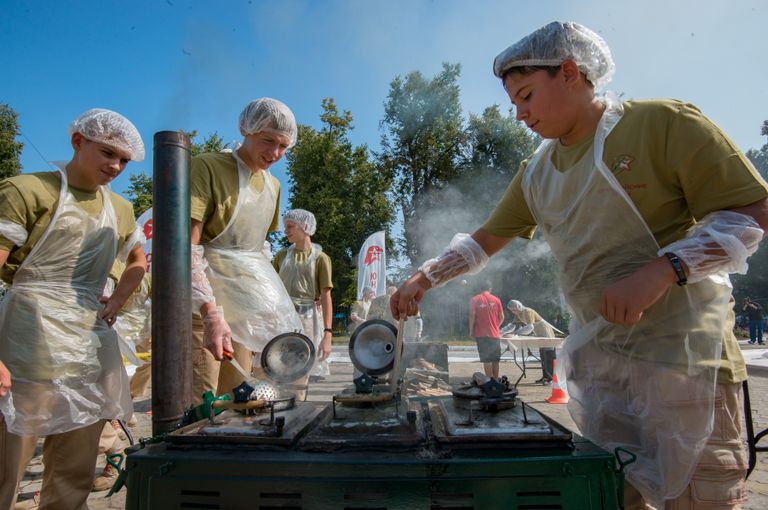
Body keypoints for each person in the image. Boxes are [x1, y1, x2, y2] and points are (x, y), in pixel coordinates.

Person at [390, 21, 768, 509]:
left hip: (686, 364)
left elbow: (752, 213)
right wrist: (424, 278)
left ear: (569, 72)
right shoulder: (537, 172)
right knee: (613, 498)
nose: (520, 115)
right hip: (603, 368)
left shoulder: (662, 124)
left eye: (526, 96)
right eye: (514, 104)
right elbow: (482, 242)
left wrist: (663, 269)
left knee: (700, 500)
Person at [0, 109, 147, 509]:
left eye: (123, 160)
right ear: (77, 141)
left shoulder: (120, 209)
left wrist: (117, 300)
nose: (115, 166)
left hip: (87, 346)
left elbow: (137, 261)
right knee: (8, 460)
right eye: (107, 153)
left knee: (73, 469)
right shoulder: (27, 190)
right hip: (27, 341)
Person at [190, 98, 302, 405]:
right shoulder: (207, 167)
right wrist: (210, 313)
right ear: (245, 129)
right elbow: (187, 248)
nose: (274, 154)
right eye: (267, 141)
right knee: (202, 400)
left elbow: (256, 253)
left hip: (241, 311)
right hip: (202, 308)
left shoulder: (273, 186)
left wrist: (266, 304)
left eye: (283, 146)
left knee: (237, 397)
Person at [273, 209, 334, 381]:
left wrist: (328, 334)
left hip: (307, 319)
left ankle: (298, 405)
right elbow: (272, 288)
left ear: (305, 227)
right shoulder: (281, 256)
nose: (286, 231)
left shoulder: (320, 258)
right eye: (285, 227)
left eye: (290, 226)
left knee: (300, 369)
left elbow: (326, 296)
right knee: (276, 365)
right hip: (281, 316)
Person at [504, 299, 561, 384]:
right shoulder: (518, 314)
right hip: (538, 332)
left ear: (518, 306)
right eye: (512, 310)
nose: (513, 312)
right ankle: (546, 377)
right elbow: (512, 326)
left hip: (545, 331)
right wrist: (501, 332)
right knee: (543, 355)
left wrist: (517, 333)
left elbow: (530, 327)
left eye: (514, 310)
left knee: (549, 354)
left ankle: (552, 378)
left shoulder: (527, 311)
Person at [468, 281, 504, 379]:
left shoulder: (474, 299)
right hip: (494, 334)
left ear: (480, 289)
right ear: (490, 289)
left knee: (486, 360)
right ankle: (496, 381)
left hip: (481, 334)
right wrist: (496, 326)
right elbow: (502, 317)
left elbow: (472, 316)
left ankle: (489, 382)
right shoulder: (497, 300)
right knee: (495, 360)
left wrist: (471, 331)